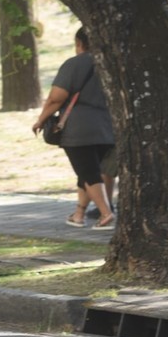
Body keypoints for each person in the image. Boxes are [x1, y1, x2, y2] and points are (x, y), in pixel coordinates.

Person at [32, 27, 115, 230]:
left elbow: (56, 98)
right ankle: (79, 214)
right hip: (107, 128)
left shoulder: (74, 64)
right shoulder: (113, 63)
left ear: (80, 43)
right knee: (87, 172)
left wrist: (41, 119)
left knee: (88, 172)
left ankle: (105, 214)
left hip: (79, 128)